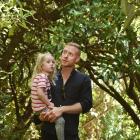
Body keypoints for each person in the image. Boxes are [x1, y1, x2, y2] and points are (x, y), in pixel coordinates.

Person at [39, 42, 93, 140]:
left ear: (77, 59)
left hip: (70, 135)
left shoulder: (84, 79)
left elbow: (86, 104)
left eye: (70, 54)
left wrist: (62, 109)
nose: (65, 56)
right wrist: (40, 117)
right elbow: (39, 100)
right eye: (64, 52)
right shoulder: (48, 77)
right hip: (47, 134)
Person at [31, 52, 65, 140]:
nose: (52, 64)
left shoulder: (39, 77)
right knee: (60, 120)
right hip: (42, 109)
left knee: (56, 119)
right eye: (48, 62)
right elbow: (40, 93)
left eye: (53, 62)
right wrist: (49, 104)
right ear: (41, 66)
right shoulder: (43, 77)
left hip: (38, 109)